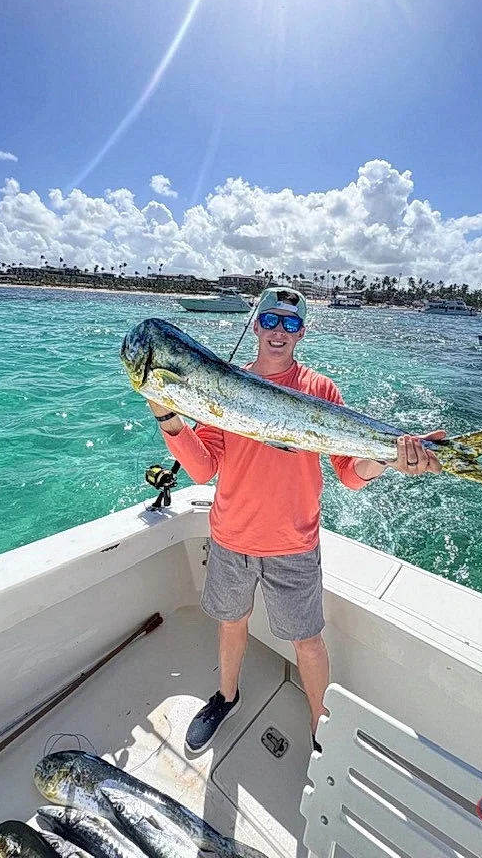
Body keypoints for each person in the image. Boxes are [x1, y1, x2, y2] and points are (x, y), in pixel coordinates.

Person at [146, 287, 444, 754]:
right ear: (256, 325)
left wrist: (389, 459)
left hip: (294, 545)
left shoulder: (320, 390)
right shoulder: (225, 386)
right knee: (231, 623)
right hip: (231, 538)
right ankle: (226, 696)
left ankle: (319, 722)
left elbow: (350, 474)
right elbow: (203, 469)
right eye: (270, 320)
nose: (278, 331)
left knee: (307, 641)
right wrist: (168, 416)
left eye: (290, 323)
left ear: (302, 332)